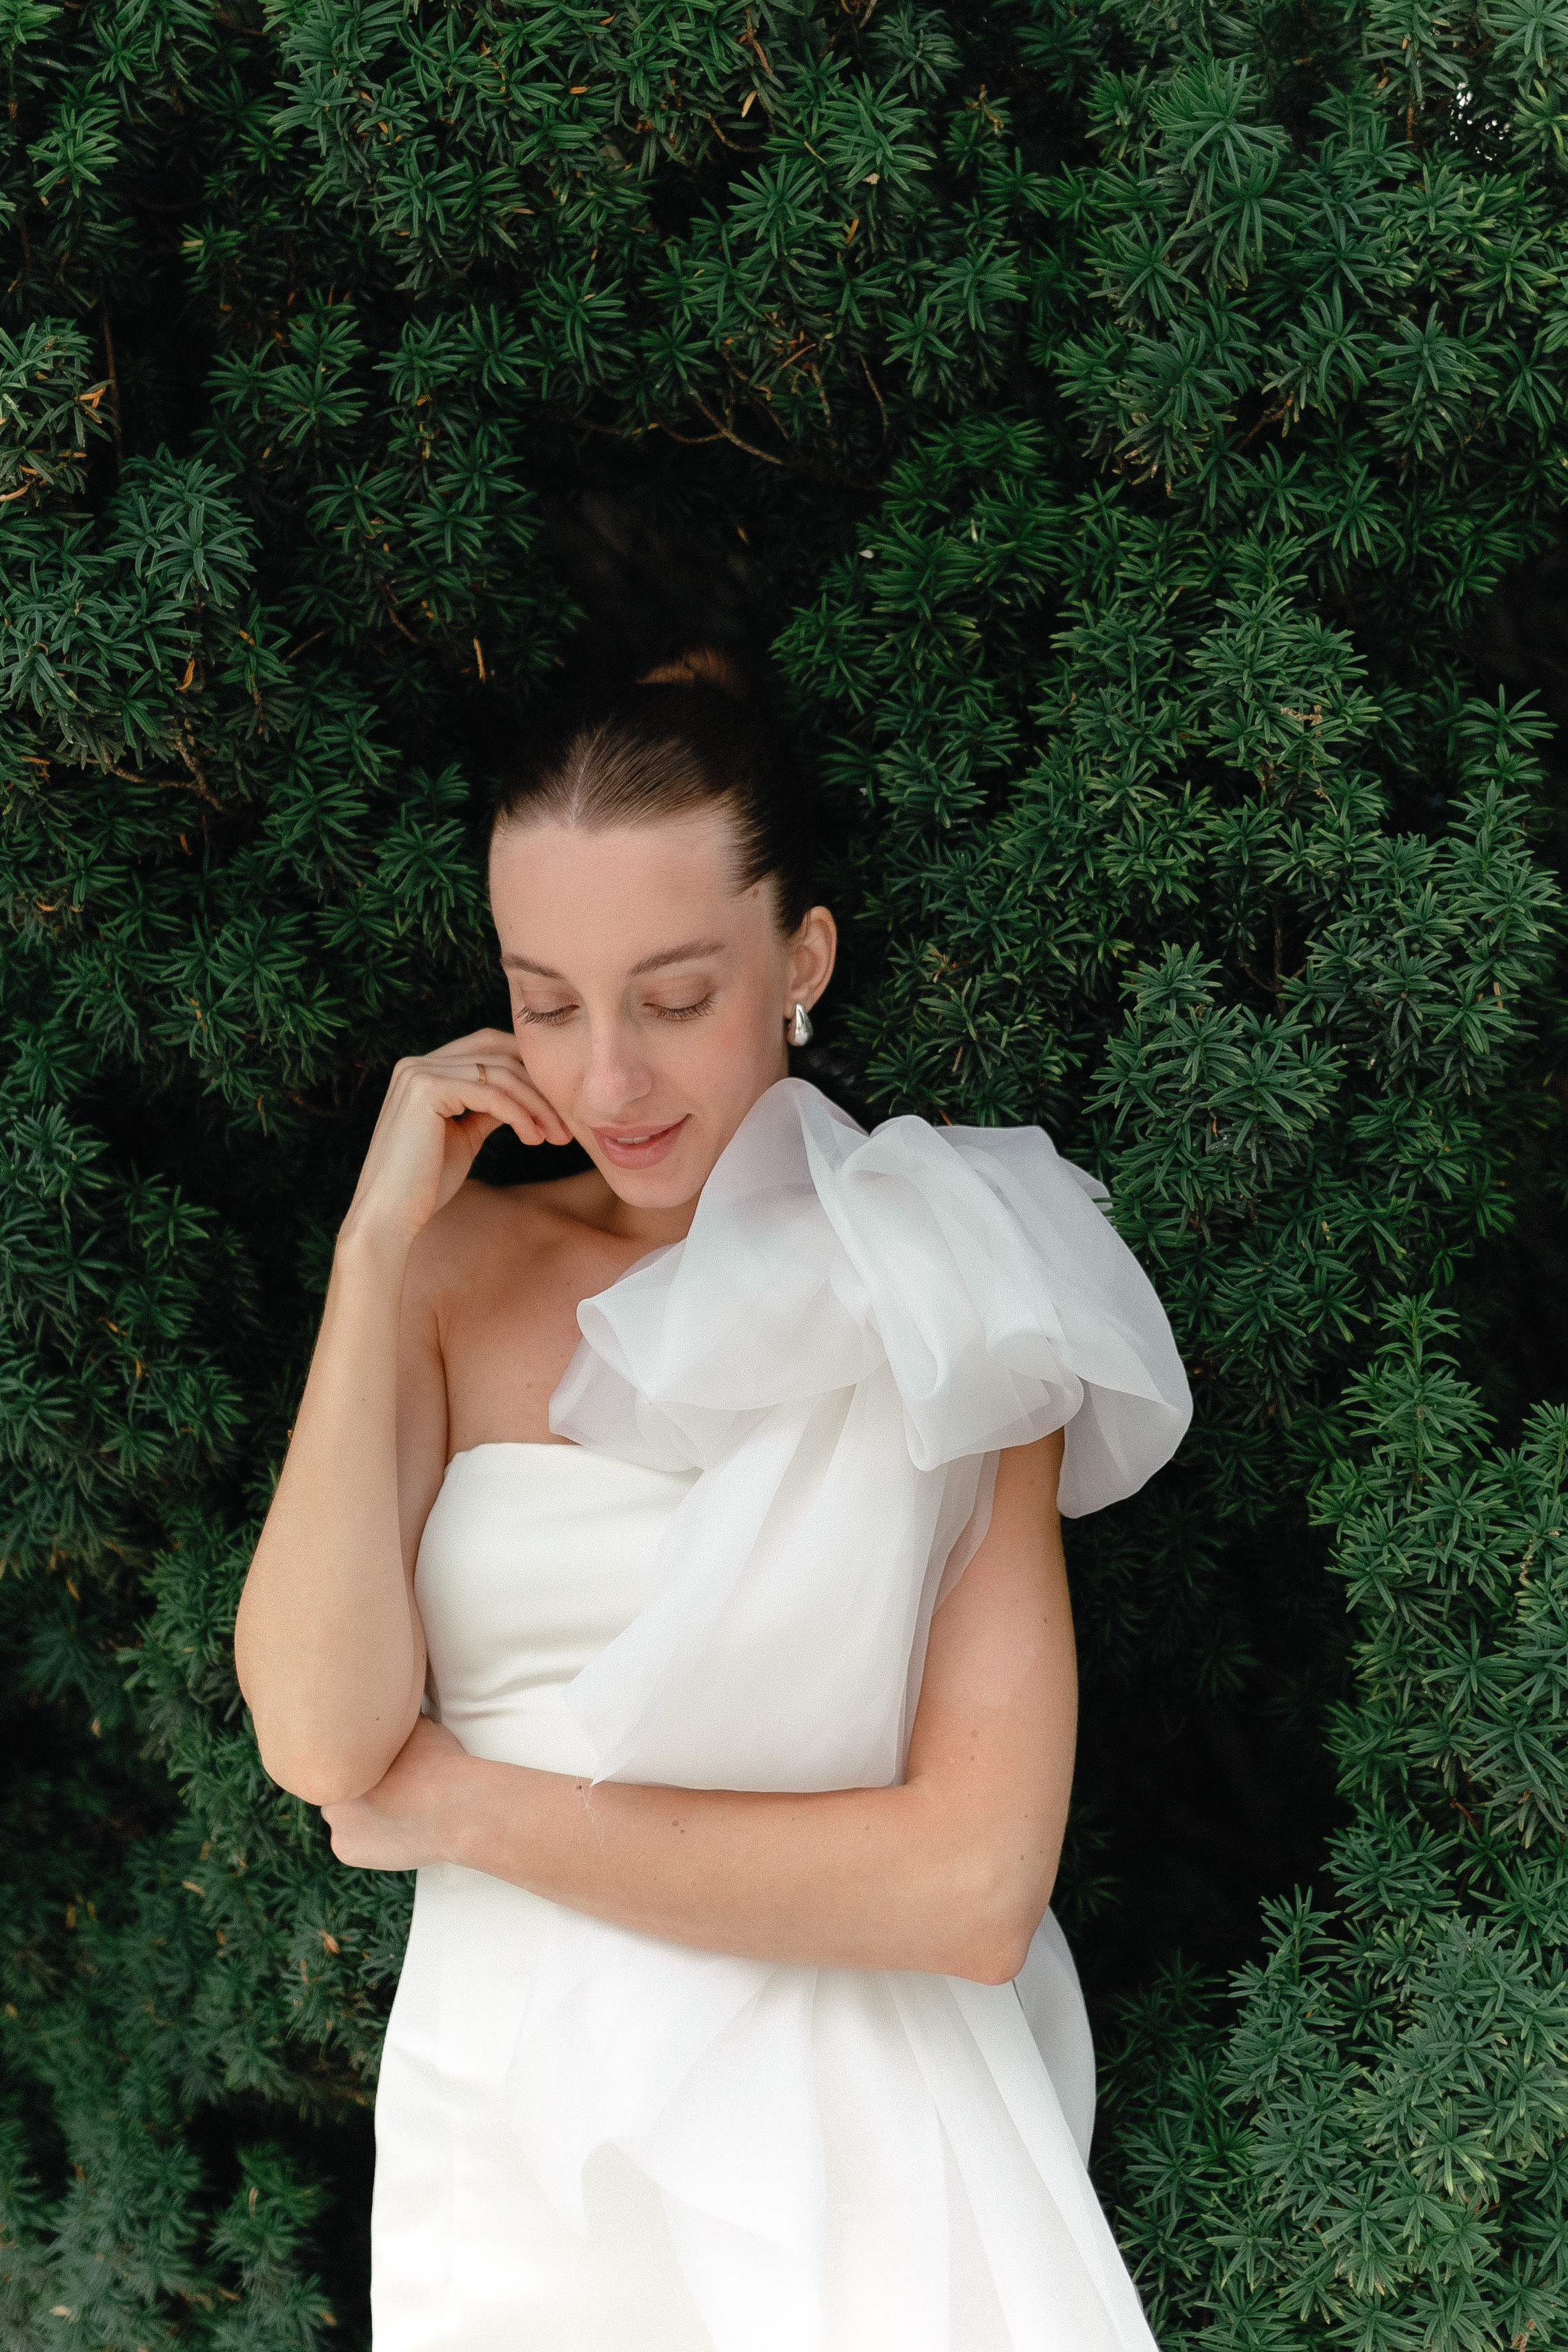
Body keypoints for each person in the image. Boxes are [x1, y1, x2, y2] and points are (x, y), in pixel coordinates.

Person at [234, 647, 1193, 2352]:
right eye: (546, 1003)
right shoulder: (447, 1275)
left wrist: (459, 1808)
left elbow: (971, 1886)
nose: (606, 1080)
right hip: (508, 2144)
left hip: (852, 2150)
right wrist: (371, 1252)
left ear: (798, 959)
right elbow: (319, 1741)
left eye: (672, 999)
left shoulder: (946, 1285)